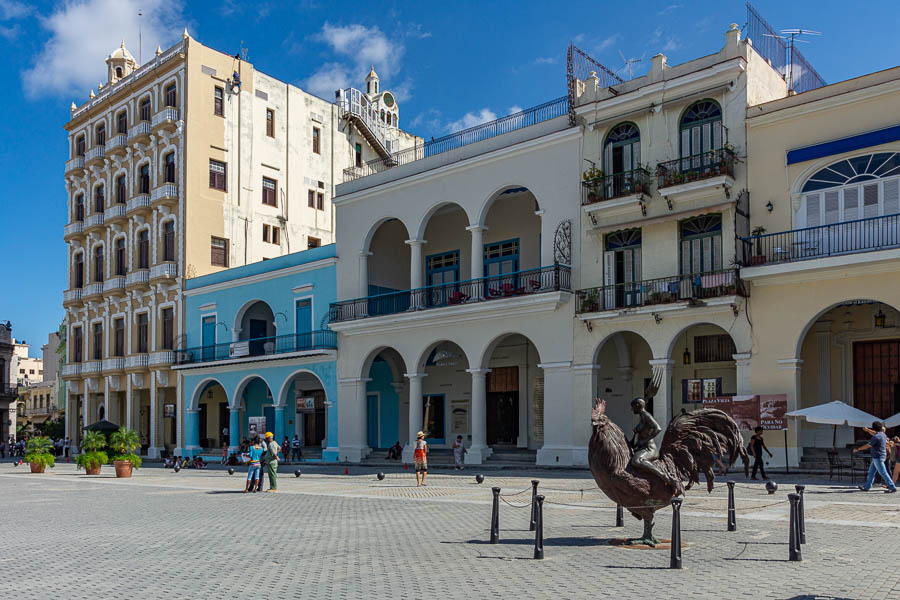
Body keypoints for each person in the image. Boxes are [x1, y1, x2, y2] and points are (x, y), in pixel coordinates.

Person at [629, 398, 676, 489]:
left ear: (638, 406)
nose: (632, 409)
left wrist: (645, 440)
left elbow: (658, 428)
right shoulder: (642, 416)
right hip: (641, 448)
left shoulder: (646, 416)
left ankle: (664, 476)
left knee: (637, 461)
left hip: (649, 449)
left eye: (633, 407)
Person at [855, 421, 897, 493]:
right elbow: (874, 433)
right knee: (871, 472)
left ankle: (892, 487)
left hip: (878, 457)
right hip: (879, 456)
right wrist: (867, 430)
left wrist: (858, 449)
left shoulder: (876, 436)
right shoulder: (883, 435)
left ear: (874, 428)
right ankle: (867, 487)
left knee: (883, 472)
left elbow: (868, 445)